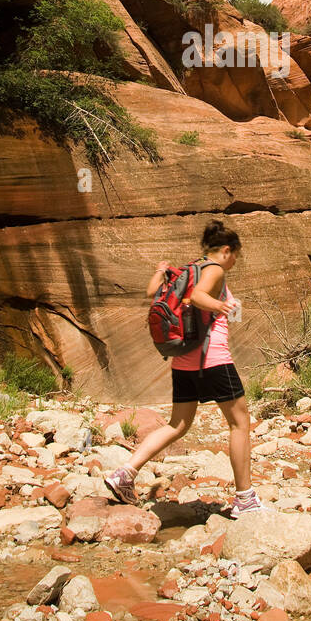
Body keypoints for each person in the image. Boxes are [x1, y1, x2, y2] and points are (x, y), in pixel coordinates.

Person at [104, 219, 262, 517]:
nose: (235, 261)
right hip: (212, 359)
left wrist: (160, 270)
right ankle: (245, 499)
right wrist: (220, 306)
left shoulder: (187, 269)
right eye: (236, 255)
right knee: (240, 423)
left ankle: (125, 473)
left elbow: (152, 293)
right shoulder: (213, 269)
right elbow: (199, 297)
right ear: (226, 250)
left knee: (177, 424)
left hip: (182, 362)